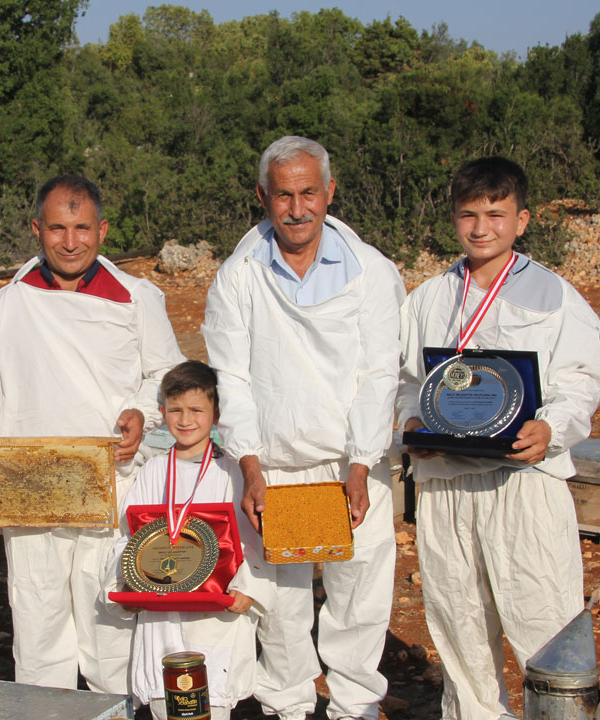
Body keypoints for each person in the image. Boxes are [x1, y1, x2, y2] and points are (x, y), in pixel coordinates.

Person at [0, 174, 186, 694]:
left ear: (102, 230)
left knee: (109, 625)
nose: (69, 242)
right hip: (28, 485)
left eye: (81, 228)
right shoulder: (8, 304)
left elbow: (164, 378)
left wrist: (142, 414)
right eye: (57, 228)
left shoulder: (138, 298)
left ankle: (115, 705)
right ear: (37, 229)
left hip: (110, 483)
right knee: (38, 622)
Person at [201, 136, 405, 720]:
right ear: (262, 196)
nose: (297, 209)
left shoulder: (371, 272)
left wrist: (363, 462)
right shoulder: (238, 276)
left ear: (330, 192)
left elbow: (377, 373)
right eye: (283, 195)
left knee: (358, 591)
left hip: (350, 465)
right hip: (272, 466)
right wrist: (249, 464)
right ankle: (287, 706)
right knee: (283, 601)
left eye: (309, 192)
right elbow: (231, 377)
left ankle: (355, 708)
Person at [395, 156, 600, 720]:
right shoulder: (426, 299)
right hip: (444, 485)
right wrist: (413, 424)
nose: (481, 227)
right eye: (468, 214)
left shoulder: (556, 297)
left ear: (523, 219)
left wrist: (552, 427)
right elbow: (405, 382)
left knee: (545, 619)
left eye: (496, 213)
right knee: (459, 626)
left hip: (524, 483)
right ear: (454, 220)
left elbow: (579, 381)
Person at [103, 360, 276, 720]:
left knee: (212, 697)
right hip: (161, 609)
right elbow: (129, 537)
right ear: (162, 412)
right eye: (175, 410)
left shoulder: (231, 472)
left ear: (217, 415)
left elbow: (254, 541)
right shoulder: (152, 471)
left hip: (215, 611)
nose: (185, 420)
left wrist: (249, 589)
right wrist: (125, 585)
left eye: (197, 410)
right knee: (164, 697)